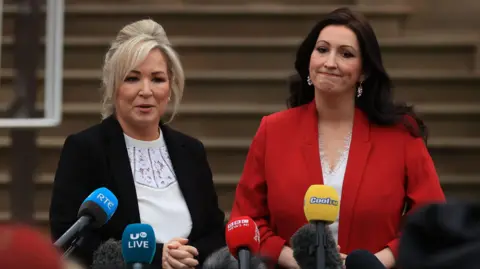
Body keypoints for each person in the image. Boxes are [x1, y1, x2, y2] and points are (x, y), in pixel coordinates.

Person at [229, 7, 445, 269]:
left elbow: (432, 219)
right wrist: (297, 259)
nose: (330, 62)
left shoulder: (401, 134)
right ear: (309, 60)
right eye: (322, 49)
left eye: (346, 54)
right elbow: (246, 218)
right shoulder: (272, 130)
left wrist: (376, 262)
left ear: (364, 71)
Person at [49, 19, 226, 269]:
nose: (146, 91)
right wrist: (157, 258)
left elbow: (215, 232)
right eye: (132, 78)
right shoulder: (85, 149)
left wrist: (184, 257)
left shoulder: (191, 150)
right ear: (114, 86)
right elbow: (71, 238)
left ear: (171, 85)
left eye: (157, 79)